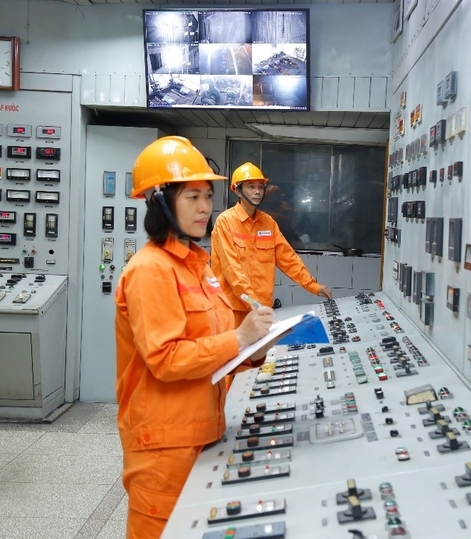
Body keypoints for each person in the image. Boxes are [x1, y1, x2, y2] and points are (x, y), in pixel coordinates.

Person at [114, 137, 279, 539]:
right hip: (164, 448)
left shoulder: (196, 266)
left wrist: (256, 350)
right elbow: (166, 359)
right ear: (160, 203)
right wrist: (239, 339)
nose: (205, 207)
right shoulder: (150, 270)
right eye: (192, 197)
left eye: (207, 195)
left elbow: (214, 347)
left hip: (203, 432)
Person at [211, 161, 333, 328]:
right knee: (235, 353)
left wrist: (313, 286)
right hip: (232, 310)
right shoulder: (225, 222)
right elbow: (231, 269)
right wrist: (251, 301)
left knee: (261, 354)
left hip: (261, 308)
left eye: (260, 187)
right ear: (237, 190)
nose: (257, 192)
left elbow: (288, 258)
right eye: (251, 187)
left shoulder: (268, 223)